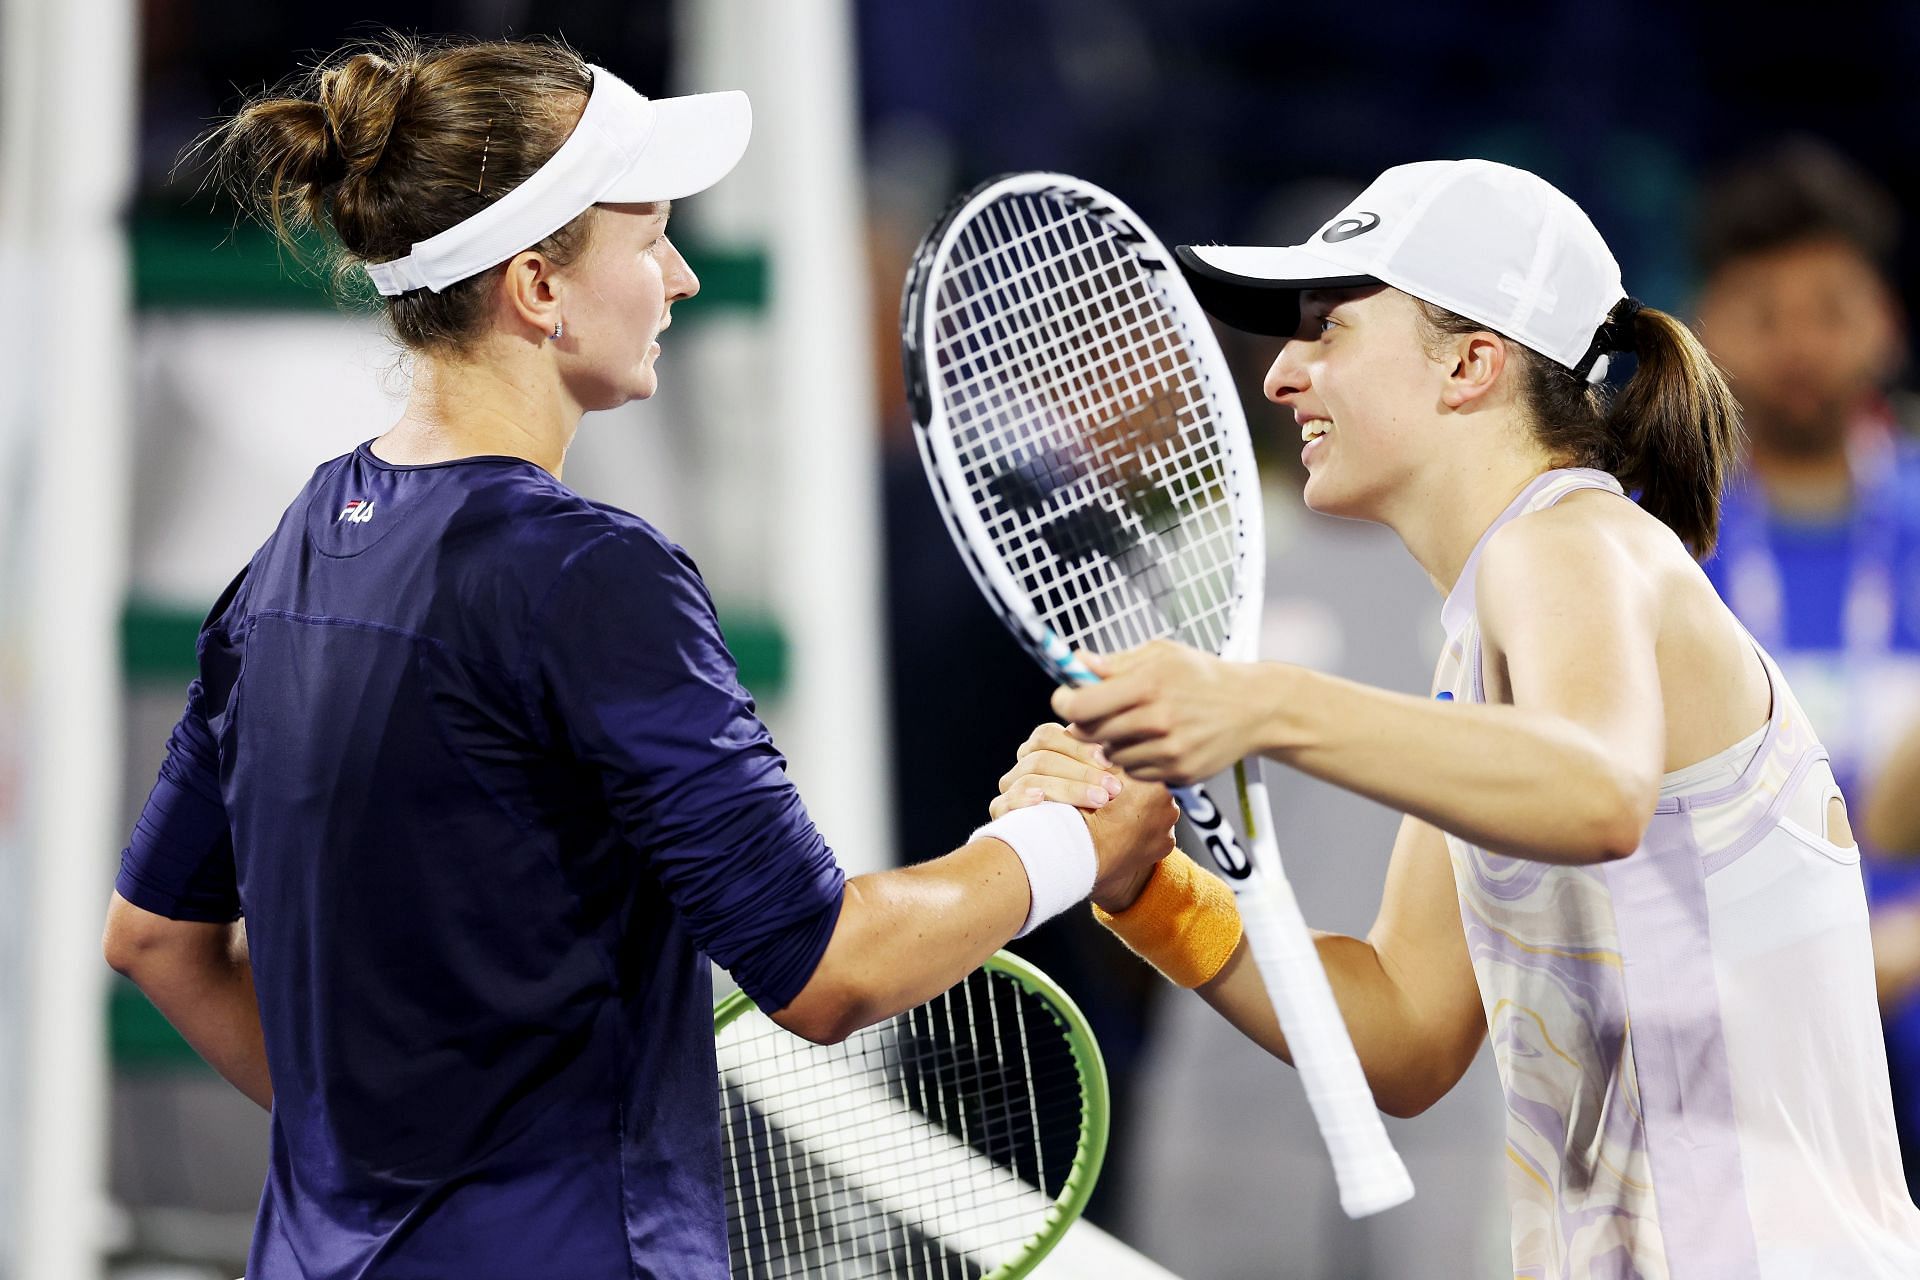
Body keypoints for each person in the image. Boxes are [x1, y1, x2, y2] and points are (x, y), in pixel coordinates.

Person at [99, 34, 1175, 1280]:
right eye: (648, 234)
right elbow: (826, 968)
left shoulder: (288, 557)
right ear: (539, 289)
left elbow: (154, 939)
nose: (679, 277)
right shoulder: (588, 575)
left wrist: (394, 1165)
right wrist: (1070, 845)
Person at [995, 158, 1920, 1276]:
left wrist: (1259, 702)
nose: (1283, 375)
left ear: (1471, 364)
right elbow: (1402, 1031)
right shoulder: (1486, 633)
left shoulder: (1570, 541)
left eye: (1328, 327)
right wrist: (1150, 887)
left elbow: (1598, 789)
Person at [1689, 139, 1920, 1190]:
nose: (1798, 346)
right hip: (1720, 1044)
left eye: (1830, 309)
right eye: (1763, 312)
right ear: (1706, 331)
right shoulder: (1652, 545)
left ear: (1886, 321)